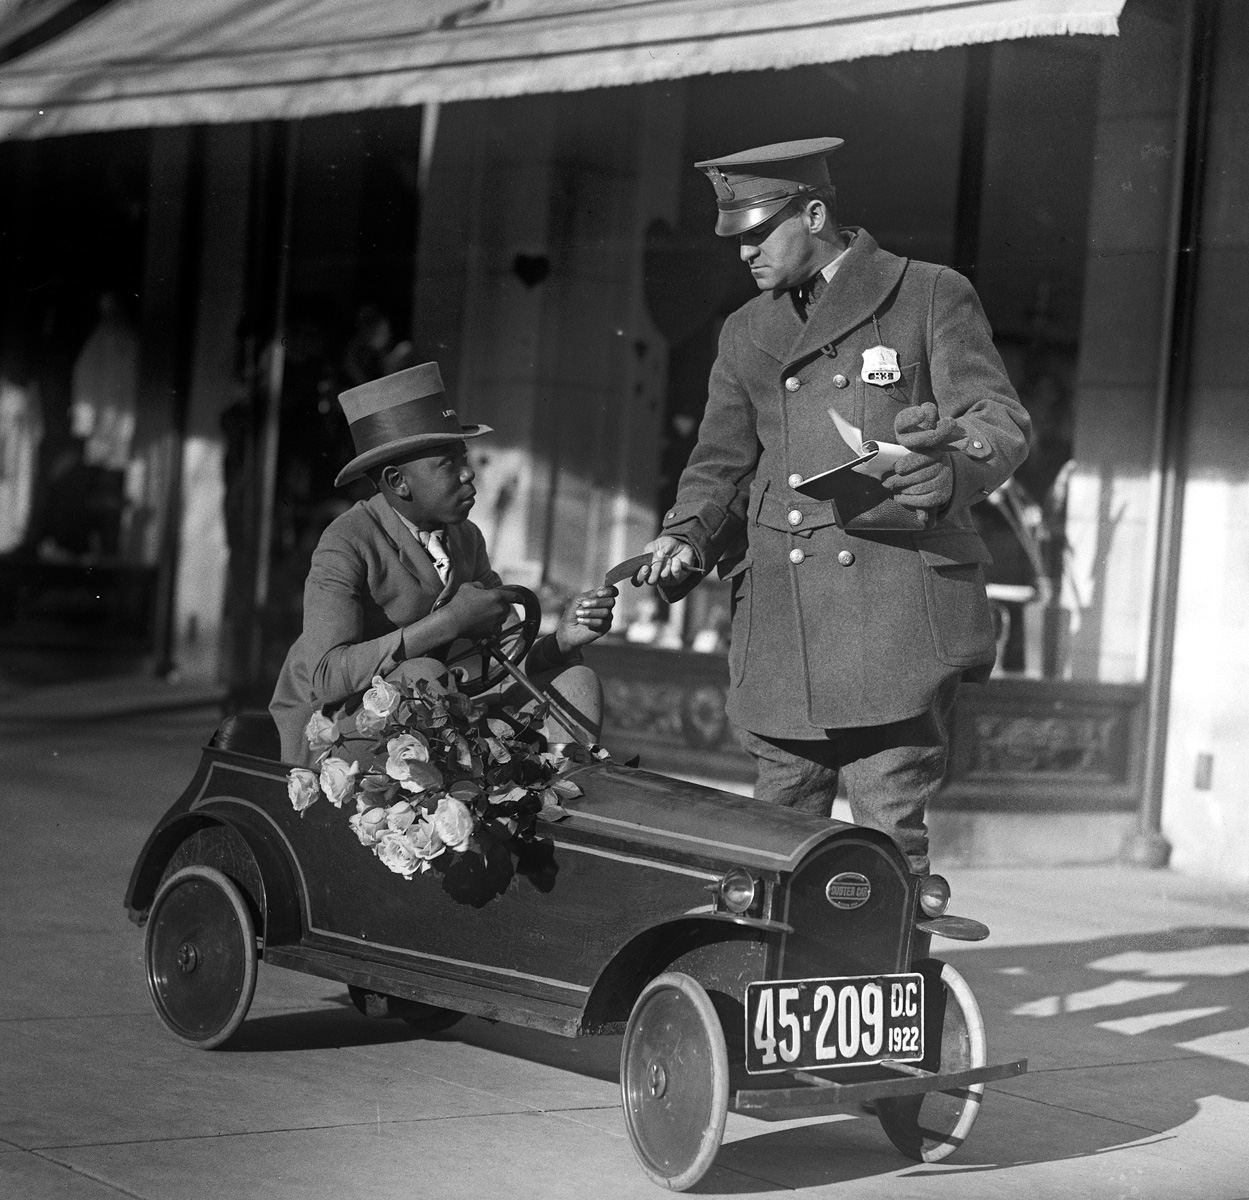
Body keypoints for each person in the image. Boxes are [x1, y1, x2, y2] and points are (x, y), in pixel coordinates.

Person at [636, 138, 1031, 875]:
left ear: (814, 214)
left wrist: (946, 469)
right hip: (783, 625)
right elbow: (720, 464)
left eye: (759, 233)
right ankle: (775, 987)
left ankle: (883, 980)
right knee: (770, 846)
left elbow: (997, 420)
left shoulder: (927, 292)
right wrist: (685, 535)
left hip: (892, 619)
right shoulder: (747, 330)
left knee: (882, 850)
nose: (744, 253)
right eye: (738, 238)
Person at [271, 361, 616, 765]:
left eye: (463, 456)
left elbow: (500, 658)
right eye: (447, 463)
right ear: (398, 481)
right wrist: (449, 622)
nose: (469, 472)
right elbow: (327, 678)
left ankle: (544, 804)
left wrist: (561, 642)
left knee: (578, 682)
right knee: (422, 677)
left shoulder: (465, 537)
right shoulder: (346, 541)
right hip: (338, 734)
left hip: (439, 713)